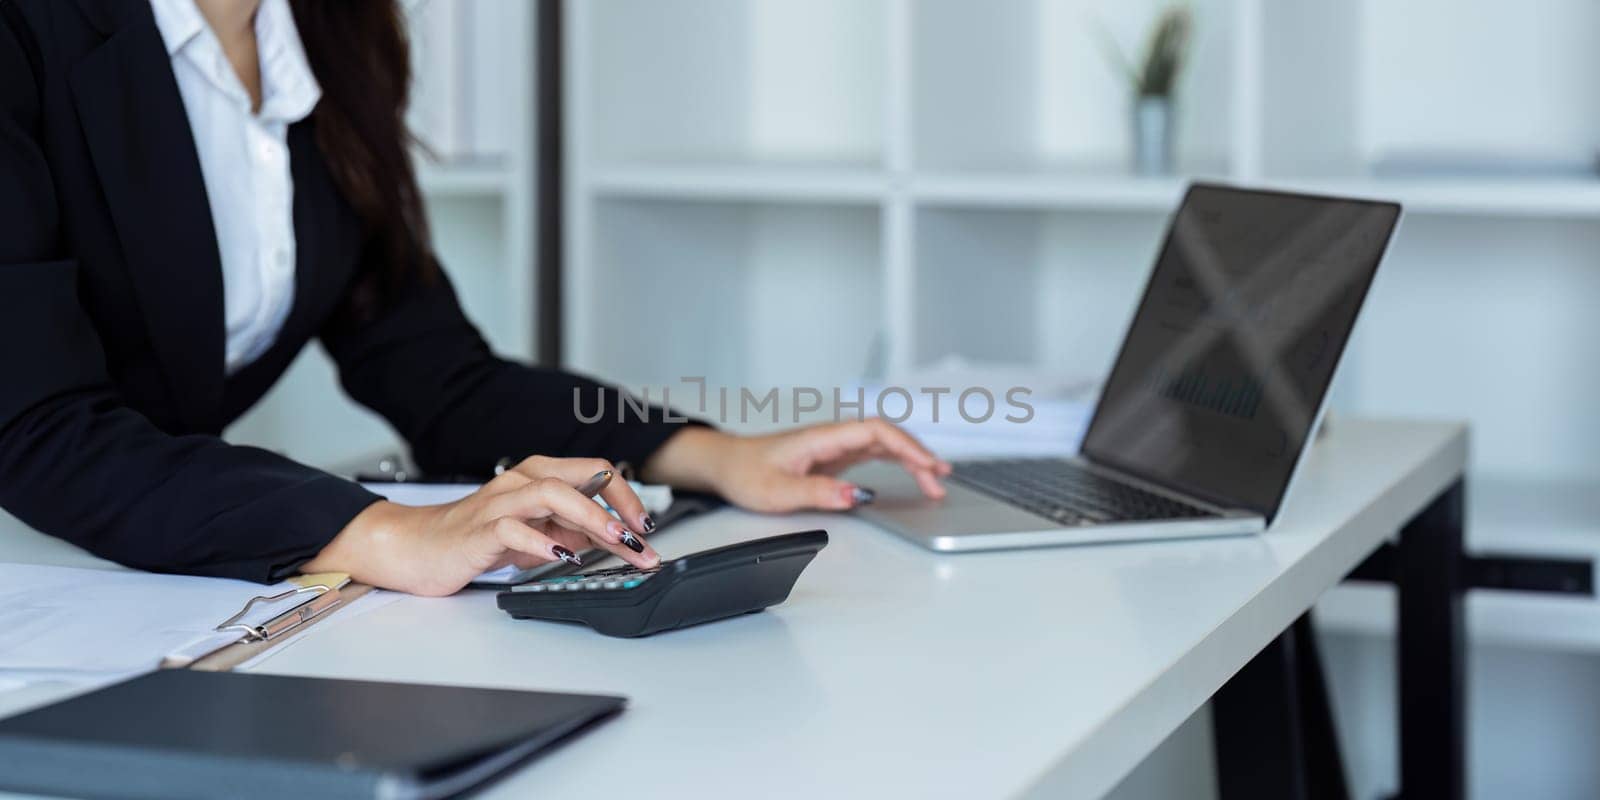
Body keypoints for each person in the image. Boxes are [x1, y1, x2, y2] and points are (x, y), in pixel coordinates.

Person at [0, 0, 950, 596]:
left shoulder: (333, 39)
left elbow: (440, 376)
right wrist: (387, 532)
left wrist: (716, 455)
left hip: (144, 573)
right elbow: (33, 424)